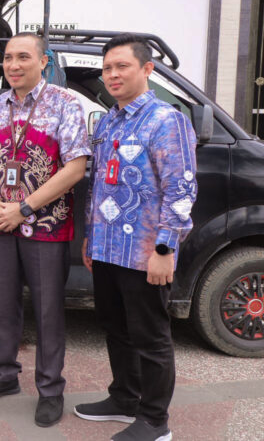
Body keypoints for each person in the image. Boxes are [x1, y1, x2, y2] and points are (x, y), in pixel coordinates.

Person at [76, 34, 197, 441]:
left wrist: (165, 248)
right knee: (115, 326)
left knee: (151, 336)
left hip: (146, 251)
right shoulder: (110, 118)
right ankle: (124, 397)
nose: (112, 74)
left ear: (147, 69)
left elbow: (181, 188)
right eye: (107, 67)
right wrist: (91, 238)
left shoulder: (167, 120)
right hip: (108, 248)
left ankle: (155, 421)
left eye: (121, 66)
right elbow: (99, 186)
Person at [0, 33, 90, 427]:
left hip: (46, 225)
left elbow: (75, 167)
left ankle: (50, 388)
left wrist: (23, 208)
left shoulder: (65, 104)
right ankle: (3, 376)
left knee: (48, 309)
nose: (13, 65)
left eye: (23, 57)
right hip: (0, 222)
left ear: (44, 60)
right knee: (2, 303)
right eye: (8, 58)